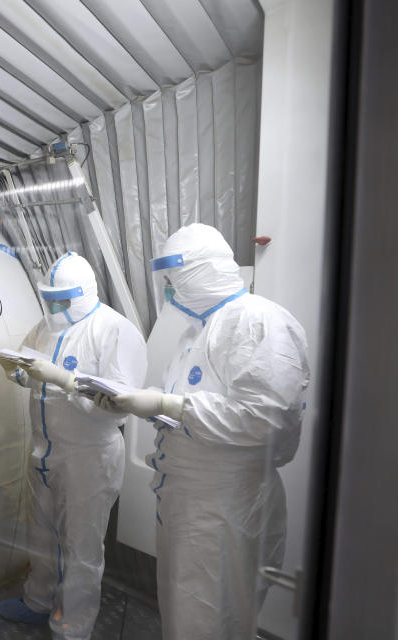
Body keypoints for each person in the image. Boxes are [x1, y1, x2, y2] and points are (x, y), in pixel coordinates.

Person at [95, 223, 310, 639]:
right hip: (193, 503)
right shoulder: (201, 330)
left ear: (198, 273)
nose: (169, 289)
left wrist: (164, 404)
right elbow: (199, 408)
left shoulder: (256, 321)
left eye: (174, 279)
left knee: (210, 620)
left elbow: (264, 419)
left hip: (225, 508)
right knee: (185, 613)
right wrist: (144, 403)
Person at [0, 251, 147, 640]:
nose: (55, 307)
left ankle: (72, 626)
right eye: (50, 298)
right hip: (45, 449)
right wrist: (18, 373)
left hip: (89, 456)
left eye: (63, 299)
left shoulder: (115, 330)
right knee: (42, 533)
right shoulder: (46, 326)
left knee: (80, 546)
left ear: (83, 294)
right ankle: (38, 601)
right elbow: (29, 366)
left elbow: (118, 407)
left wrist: (66, 381)